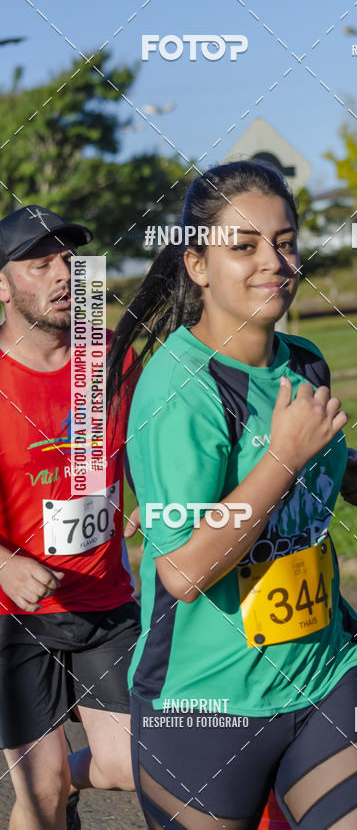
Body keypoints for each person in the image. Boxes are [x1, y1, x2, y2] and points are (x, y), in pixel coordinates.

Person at [107, 161, 357, 830]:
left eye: (285, 241)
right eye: (244, 246)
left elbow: (298, 466)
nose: (275, 262)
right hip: (206, 704)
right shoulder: (179, 390)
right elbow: (183, 570)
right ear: (199, 265)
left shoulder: (305, 361)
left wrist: (348, 467)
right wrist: (286, 457)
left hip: (324, 670)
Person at [0, 205, 141, 830]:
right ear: (2, 286)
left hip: (103, 602)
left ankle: (65, 786)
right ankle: (50, 794)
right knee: (41, 792)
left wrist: (144, 502)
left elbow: (157, 442)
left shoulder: (109, 360)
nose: (64, 275)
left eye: (70, 260)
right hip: (13, 619)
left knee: (138, 764)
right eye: (40, 263)